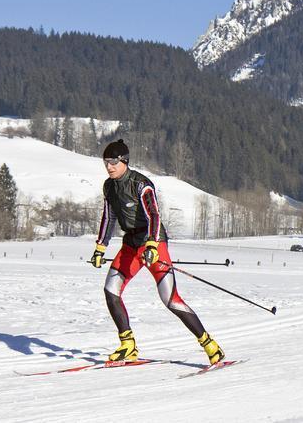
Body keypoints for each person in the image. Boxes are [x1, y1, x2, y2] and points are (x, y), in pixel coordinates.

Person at [90, 139, 224, 364]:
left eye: (113, 162)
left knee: (170, 299)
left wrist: (152, 244)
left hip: (154, 242)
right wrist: (100, 248)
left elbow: (154, 215)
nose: (109, 167)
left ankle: (209, 344)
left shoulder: (141, 184)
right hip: (131, 244)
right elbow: (108, 217)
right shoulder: (109, 186)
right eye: (106, 162)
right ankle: (127, 345)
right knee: (110, 290)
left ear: (124, 161)